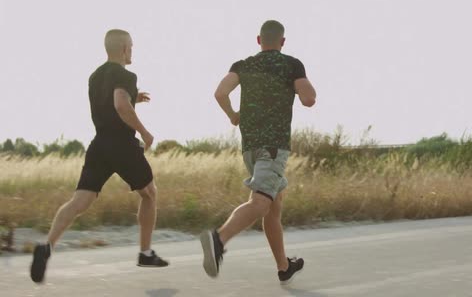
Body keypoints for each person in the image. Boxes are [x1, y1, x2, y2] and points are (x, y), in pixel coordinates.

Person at [30, 29, 169, 284]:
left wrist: (134, 97)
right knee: (149, 193)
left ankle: (47, 245)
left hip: (99, 144)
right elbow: (119, 105)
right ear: (125, 48)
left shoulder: (95, 76)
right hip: (122, 145)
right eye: (132, 46)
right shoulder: (127, 75)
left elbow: (111, 101)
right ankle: (145, 252)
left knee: (79, 201)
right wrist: (145, 132)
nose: (133, 51)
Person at [201, 20, 317, 285]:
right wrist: (302, 88)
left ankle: (284, 266)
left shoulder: (242, 65)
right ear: (283, 42)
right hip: (273, 146)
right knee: (261, 203)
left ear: (258, 40)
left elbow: (220, 93)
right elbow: (309, 99)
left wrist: (233, 116)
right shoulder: (291, 64)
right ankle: (218, 240)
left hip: (250, 146)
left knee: (273, 209)